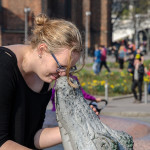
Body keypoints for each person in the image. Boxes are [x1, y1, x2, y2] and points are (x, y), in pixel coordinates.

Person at [0, 13, 98, 150]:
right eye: (61, 66)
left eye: (69, 69)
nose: (63, 74)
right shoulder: (3, 66)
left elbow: (32, 137)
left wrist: (76, 125)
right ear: (42, 49)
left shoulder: (44, 77)